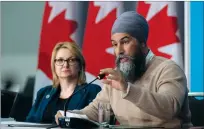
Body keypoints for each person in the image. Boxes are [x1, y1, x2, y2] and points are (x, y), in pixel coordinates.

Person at [55, 11, 192, 128]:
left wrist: (126, 88)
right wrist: (69, 115)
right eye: (114, 44)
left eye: (125, 42)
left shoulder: (168, 69)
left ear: (143, 43)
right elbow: (95, 112)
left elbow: (168, 108)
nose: (119, 50)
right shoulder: (117, 76)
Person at [26, 42, 101, 123]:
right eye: (60, 60)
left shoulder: (93, 91)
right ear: (54, 65)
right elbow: (29, 122)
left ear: (80, 65)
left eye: (71, 60)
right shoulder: (43, 92)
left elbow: (96, 122)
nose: (65, 64)